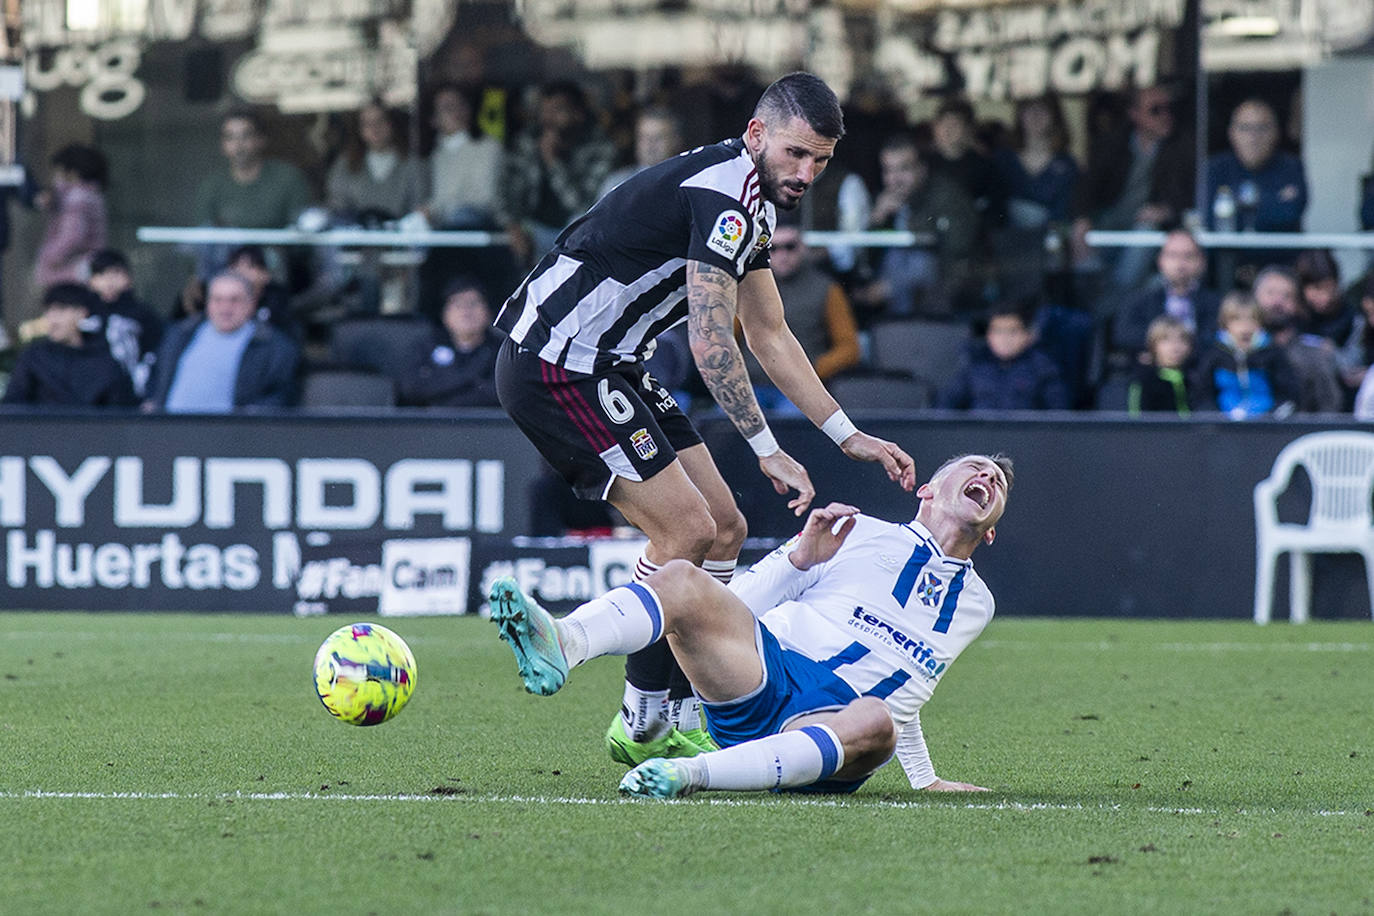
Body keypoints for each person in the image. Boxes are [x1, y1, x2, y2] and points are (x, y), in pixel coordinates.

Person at [493, 72, 916, 769]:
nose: (805, 173)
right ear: (756, 134)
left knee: (724, 527)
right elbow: (711, 338)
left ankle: (677, 717)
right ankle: (590, 666)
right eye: (795, 153)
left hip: (613, 363)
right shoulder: (726, 199)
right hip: (556, 360)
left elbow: (769, 332)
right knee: (685, 529)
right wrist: (765, 446)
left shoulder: (755, 203)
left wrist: (848, 435)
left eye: (820, 161)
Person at [489, 453, 1012, 797]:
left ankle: (687, 775)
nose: (988, 478)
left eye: (999, 483)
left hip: (836, 722)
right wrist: (799, 560)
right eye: (977, 468)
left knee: (878, 720)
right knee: (682, 579)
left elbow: (913, 689)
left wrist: (925, 779)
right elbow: (735, 603)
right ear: (927, 490)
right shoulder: (852, 530)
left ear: (991, 533)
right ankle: (566, 642)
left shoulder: (976, 605)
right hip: (762, 672)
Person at [1071, 84, 1194, 298]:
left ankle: (1116, 305)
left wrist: (1167, 210)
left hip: (1148, 235)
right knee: (1082, 247)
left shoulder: (1184, 146)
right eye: (1155, 110)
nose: (1165, 115)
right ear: (1134, 114)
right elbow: (1084, 188)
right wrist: (1081, 219)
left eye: (1169, 109)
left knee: (1146, 233)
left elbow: (1192, 194)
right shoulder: (1112, 143)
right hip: (1108, 226)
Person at [853, 131, 979, 318]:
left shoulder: (947, 196)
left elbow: (954, 250)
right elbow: (864, 261)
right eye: (888, 170)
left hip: (941, 291)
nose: (895, 179)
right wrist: (877, 219)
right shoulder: (884, 200)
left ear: (922, 169)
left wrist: (891, 287)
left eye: (903, 169)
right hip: (891, 295)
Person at [742, 220, 861, 412]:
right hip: (752, 385)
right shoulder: (748, 286)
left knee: (793, 422)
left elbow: (849, 348)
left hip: (801, 389)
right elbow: (726, 336)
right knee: (724, 422)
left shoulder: (827, 289)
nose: (782, 255)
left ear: (803, 248)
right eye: (773, 248)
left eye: (790, 247)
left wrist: (813, 370)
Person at [146, 270, 299, 413]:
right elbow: (155, 374)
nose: (225, 308)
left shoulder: (273, 346)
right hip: (169, 428)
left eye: (234, 300)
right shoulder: (179, 334)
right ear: (208, 303)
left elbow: (280, 395)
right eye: (217, 299)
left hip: (232, 431)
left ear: (251, 304)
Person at [500, 81, 617, 264]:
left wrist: (553, 162)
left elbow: (583, 206)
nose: (548, 118)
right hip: (531, 230)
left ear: (578, 114)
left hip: (577, 235)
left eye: (557, 110)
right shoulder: (528, 141)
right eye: (544, 111)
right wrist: (512, 225)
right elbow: (506, 191)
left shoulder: (600, 147)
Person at [1, 283, 135, 407]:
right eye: (49, 310)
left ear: (82, 313)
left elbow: (121, 411)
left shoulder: (105, 363)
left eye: (61, 310)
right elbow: (13, 405)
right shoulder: (33, 357)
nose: (53, 319)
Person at [937, 302, 1069, 411]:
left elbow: (1058, 418)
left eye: (1013, 332)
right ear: (989, 336)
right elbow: (944, 409)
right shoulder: (974, 366)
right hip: (980, 434)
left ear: (1027, 336)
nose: (1005, 339)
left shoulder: (1043, 369)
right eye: (998, 331)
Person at [1111, 229, 1220, 359]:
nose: (1180, 263)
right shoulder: (1138, 300)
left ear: (1202, 262)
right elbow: (1123, 335)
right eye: (1173, 255)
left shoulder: (1217, 304)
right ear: (1160, 260)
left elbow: (1219, 338)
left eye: (1188, 256)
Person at [396, 277, 502, 407]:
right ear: (444, 314)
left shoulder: (502, 351)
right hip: (433, 419)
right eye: (458, 304)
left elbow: (501, 393)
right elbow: (411, 388)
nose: (466, 312)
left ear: (488, 312)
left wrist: (443, 387)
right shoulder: (425, 347)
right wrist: (474, 379)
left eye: (473, 303)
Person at [1205, 99, 1307, 234]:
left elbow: (1290, 214)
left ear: (1276, 132)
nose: (1253, 137)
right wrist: (1274, 200)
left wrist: (1236, 205)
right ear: (1231, 133)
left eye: (1262, 128)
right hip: (1227, 248)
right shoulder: (1216, 168)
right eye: (1245, 128)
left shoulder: (1291, 167)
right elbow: (1209, 219)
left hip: (1279, 247)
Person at [1252, 265, 1343, 414]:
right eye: (1270, 293)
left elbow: (1329, 409)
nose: (1277, 302)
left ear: (1298, 304)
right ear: (1254, 297)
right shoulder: (1235, 351)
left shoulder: (1315, 356)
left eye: (1287, 296)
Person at [1193, 290, 1295, 418]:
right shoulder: (1214, 355)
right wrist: (1217, 417)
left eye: (1251, 319)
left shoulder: (1272, 353)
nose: (1245, 326)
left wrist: (1271, 416)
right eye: (1237, 319)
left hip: (1267, 423)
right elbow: (1202, 395)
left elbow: (1286, 393)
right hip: (1223, 424)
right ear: (1225, 323)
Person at [326, 99, 427, 225]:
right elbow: (337, 206)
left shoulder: (414, 164)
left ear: (391, 123)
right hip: (356, 235)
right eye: (367, 124)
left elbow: (419, 208)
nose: (375, 128)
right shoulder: (345, 165)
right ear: (359, 129)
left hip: (402, 235)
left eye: (380, 120)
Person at [420, 84, 503, 230]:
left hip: (478, 224)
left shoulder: (488, 147)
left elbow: (484, 199)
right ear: (433, 119)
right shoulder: (435, 154)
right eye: (447, 107)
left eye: (460, 105)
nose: (457, 111)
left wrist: (434, 209)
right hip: (442, 227)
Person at [86, 249, 165, 397]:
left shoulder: (143, 315)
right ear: (91, 281)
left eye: (115, 273)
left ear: (128, 278)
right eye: (101, 274)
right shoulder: (84, 314)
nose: (109, 280)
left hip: (132, 393)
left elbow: (156, 354)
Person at [994, 94, 1079, 230]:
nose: (1035, 115)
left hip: (1049, 238)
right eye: (1029, 109)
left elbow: (1067, 213)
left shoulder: (1068, 165)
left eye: (1043, 109)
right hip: (1006, 239)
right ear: (1020, 114)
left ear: (1054, 116)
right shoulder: (1003, 160)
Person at [34, 144, 108, 291]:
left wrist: (49, 258)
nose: (56, 177)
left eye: (59, 171)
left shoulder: (77, 198)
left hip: (69, 273)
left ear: (73, 172)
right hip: (83, 269)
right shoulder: (90, 195)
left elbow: (72, 237)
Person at [597, 105, 685, 200]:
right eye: (643, 137)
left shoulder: (688, 183)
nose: (650, 145)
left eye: (658, 138)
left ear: (676, 141)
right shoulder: (617, 184)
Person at [1127, 315, 1195, 416]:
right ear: (1153, 345)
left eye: (1182, 340)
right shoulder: (1143, 381)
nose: (1175, 347)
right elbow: (1137, 420)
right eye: (1166, 340)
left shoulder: (1195, 380)